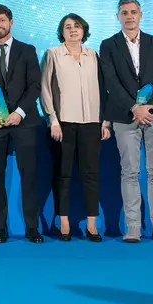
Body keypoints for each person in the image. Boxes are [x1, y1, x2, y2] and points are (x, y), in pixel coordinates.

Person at [100, 0, 153, 243]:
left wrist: (148, 108)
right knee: (129, 172)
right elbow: (111, 81)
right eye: (124, 12)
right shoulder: (108, 45)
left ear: (141, 15)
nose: (129, 16)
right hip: (124, 115)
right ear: (118, 16)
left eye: (133, 12)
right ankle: (133, 227)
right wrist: (134, 107)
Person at [0, 4, 43, 244]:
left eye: (2, 20)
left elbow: (35, 85)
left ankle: (32, 228)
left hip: (24, 122)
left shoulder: (27, 50)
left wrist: (20, 112)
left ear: (11, 22)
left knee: (29, 176)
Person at [40, 13, 111, 242]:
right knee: (64, 175)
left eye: (77, 26)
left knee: (91, 174)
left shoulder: (93, 55)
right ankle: (64, 222)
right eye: (68, 27)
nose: (73, 30)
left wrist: (105, 122)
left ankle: (92, 224)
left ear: (84, 30)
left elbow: (103, 89)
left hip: (92, 122)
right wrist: (52, 119)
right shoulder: (53, 54)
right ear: (62, 31)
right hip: (63, 124)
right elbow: (45, 90)